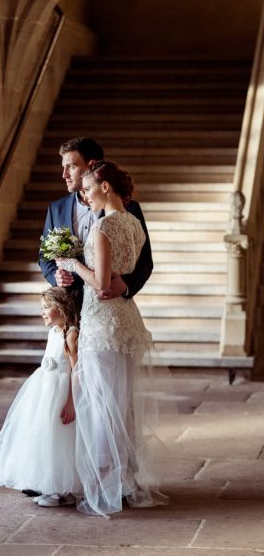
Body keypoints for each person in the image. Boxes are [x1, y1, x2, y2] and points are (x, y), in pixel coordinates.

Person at [56, 161, 169, 517]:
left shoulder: (104, 227)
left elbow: (102, 285)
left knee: (100, 407)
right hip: (125, 322)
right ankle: (123, 480)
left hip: (103, 325)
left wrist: (74, 265)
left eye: (87, 189)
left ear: (105, 187)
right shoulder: (134, 224)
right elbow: (123, 277)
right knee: (120, 405)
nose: (84, 196)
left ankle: (106, 484)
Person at [0, 287, 82, 507]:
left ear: (62, 307)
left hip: (60, 393)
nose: (43, 312)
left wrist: (71, 402)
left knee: (59, 440)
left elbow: (77, 371)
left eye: (47, 307)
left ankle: (60, 490)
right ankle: (50, 485)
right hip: (43, 391)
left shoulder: (71, 334)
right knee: (42, 437)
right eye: (42, 308)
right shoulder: (54, 332)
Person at [39, 137, 153, 300]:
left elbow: (145, 260)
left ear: (92, 165)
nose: (64, 174)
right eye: (63, 167)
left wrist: (126, 286)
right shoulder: (57, 208)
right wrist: (55, 277)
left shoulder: (129, 209)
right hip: (71, 302)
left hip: (110, 302)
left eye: (71, 166)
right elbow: (45, 256)